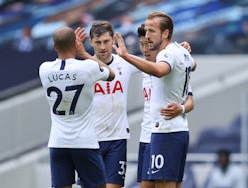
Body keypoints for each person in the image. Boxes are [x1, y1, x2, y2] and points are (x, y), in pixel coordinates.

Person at [113, 11, 196, 188]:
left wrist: (126, 55)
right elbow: (192, 65)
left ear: (165, 33)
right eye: (146, 32)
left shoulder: (167, 56)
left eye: (151, 31)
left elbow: (160, 70)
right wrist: (183, 52)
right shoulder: (178, 52)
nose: (147, 36)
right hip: (167, 131)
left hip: (166, 131)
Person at [39, 26, 115, 188]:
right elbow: (111, 74)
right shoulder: (87, 67)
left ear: (54, 46)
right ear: (75, 44)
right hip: (84, 142)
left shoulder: (44, 69)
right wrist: (84, 54)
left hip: (58, 142)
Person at [75, 20, 140, 188]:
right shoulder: (83, 68)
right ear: (90, 42)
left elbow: (154, 64)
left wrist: (178, 51)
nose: (103, 47)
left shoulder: (124, 62)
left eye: (106, 41)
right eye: (98, 42)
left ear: (113, 40)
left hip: (117, 139)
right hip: (90, 140)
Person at [136, 23, 195, 188]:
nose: (145, 49)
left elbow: (190, 100)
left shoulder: (173, 66)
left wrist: (181, 109)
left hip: (165, 132)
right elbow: (107, 66)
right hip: (147, 135)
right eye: (142, 44)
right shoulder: (141, 66)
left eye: (148, 44)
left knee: (167, 183)